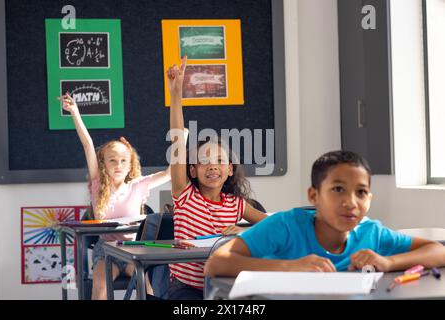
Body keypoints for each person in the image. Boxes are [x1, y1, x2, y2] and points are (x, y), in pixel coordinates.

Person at [205, 150, 445, 277]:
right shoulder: (284, 226)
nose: (350, 202)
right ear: (314, 196)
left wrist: (388, 261)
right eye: (338, 189)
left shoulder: (372, 233)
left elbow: (438, 251)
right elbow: (216, 264)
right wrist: (290, 267)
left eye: (361, 192)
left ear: (370, 199)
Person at [166, 57, 268, 299]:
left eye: (220, 161)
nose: (213, 166)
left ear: (230, 169)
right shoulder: (185, 195)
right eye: (204, 161)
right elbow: (178, 140)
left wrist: (243, 233)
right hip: (187, 289)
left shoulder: (236, 204)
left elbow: (271, 225)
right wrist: (176, 94)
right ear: (192, 171)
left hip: (225, 286)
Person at [58, 93, 173, 300]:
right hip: (107, 251)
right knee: (100, 288)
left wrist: (180, 141)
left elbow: (169, 173)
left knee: (146, 289)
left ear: (130, 165)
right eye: (112, 160)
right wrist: (75, 112)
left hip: (133, 249)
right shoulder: (98, 184)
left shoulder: (138, 185)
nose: (118, 165)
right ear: (104, 165)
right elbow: (87, 144)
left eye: (123, 160)